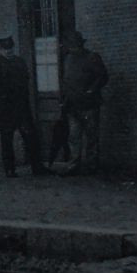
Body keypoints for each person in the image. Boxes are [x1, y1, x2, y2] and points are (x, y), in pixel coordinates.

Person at [0, 36, 48, 176]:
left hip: (21, 106)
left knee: (30, 137)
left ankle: (37, 167)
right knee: (7, 139)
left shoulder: (20, 62)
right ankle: (9, 169)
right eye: (5, 49)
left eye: (10, 48)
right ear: (0, 50)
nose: (8, 51)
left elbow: (26, 80)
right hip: (4, 108)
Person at [60, 30, 108, 175]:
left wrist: (91, 90)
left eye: (75, 45)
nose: (72, 48)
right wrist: (64, 99)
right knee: (74, 137)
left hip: (89, 105)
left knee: (91, 136)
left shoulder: (92, 57)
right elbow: (65, 81)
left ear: (80, 45)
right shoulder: (67, 59)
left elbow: (103, 76)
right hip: (73, 105)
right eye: (71, 46)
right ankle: (73, 166)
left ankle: (92, 165)